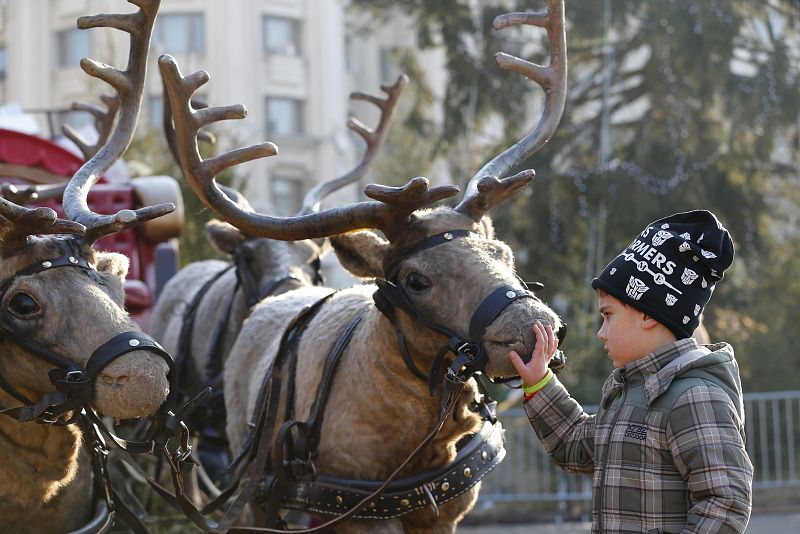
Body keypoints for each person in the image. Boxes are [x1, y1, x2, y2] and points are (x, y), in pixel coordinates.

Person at [509, 210, 753, 533]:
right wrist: (540, 383)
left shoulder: (694, 397)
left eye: (608, 315)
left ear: (647, 314)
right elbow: (576, 446)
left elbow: (726, 503)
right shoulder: (628, 392)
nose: (601, 332)